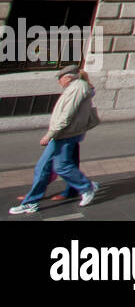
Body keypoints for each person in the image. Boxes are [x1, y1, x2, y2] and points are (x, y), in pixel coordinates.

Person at [9, 66, 101, 215]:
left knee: (59, 167)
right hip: (66, 133)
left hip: (64, 134)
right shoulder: (77, 87)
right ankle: (70, 190)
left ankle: (86, 187)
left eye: (60, 79)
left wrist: (50, 134)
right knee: (50, 166)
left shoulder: (77, 88)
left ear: (68, 77)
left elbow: (67, 115)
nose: (59, 82)